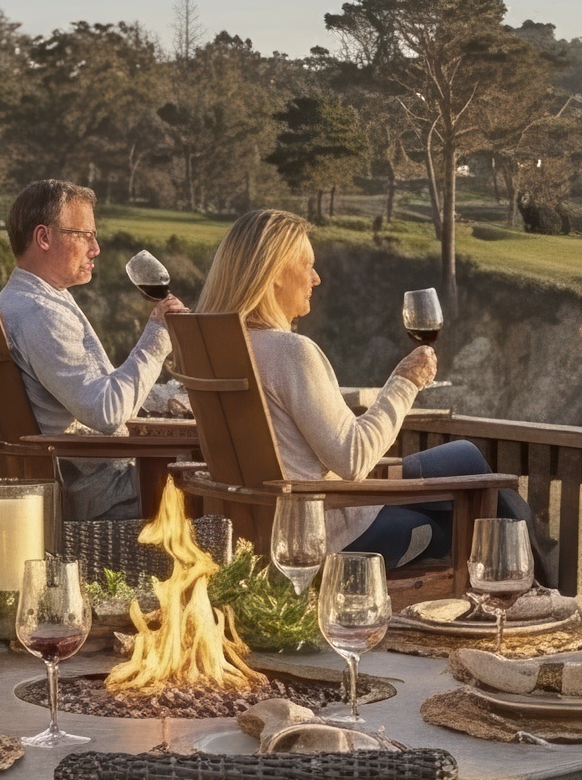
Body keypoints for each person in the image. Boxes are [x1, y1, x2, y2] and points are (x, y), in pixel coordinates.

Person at [195, 208, 528, 572]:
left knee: (463, 457)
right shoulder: (291, 352)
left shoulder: (217, 350)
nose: (316, 278)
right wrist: (405, 381)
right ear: (273, 273)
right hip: (332, 538)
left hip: (271, 528)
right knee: (463, 515)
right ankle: (528, 583)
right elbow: (353, 458)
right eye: (307, 265)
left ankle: (533, 577)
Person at [0, 178, 175, 521]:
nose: (96, 248)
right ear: (44, 237)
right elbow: (106, 412)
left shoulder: (24, 301)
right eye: (85, 236)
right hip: (103, 493)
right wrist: (158, 336)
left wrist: (163, 401)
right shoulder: (40, 315)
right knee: (213, 477)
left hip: (91, 478)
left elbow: (93, 390)